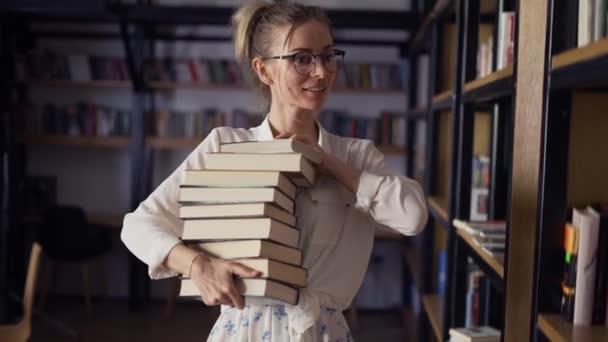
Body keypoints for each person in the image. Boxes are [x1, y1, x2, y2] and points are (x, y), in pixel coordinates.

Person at [121, 1, 428, 341]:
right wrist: (197, 265)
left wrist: (331, 166)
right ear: (264, 70)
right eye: (301, 58)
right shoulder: (225, 146)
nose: (322, 72)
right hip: (243, 331)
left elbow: (413, 217)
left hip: (322, 332)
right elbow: (138, 225)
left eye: (327, 56)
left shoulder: (354, 155)